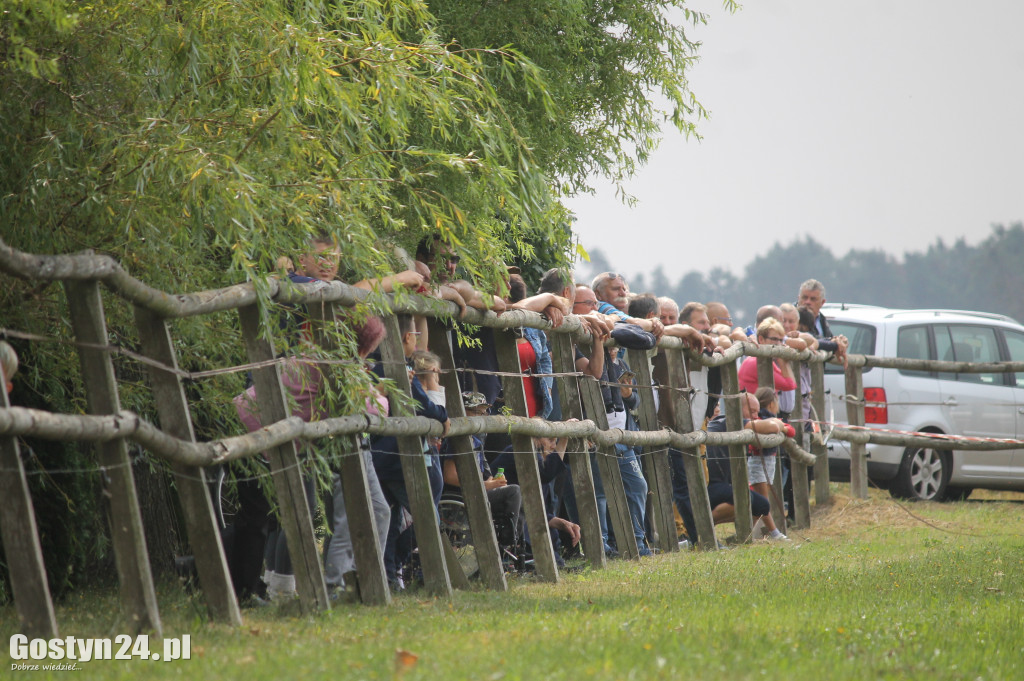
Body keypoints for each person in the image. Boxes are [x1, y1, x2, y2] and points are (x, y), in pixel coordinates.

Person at [746, 387, 796, 541]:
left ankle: (746, 534)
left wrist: (780, 425)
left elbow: (790, 430)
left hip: (767, 464)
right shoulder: (760, 421)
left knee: (761, 503)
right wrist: (780, 426)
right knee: (763, 502)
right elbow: (789, 430)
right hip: (758, 464)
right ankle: (774, 534)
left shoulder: (768, 420)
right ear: (771, 403)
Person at [738, 318, 798, 395]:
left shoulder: (764, 360)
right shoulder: (755, 362)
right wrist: (782, 359)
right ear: (761, 339)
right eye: (774, 339)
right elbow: (790, 385)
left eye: (781, 340)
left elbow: (791, 384)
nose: (779, 344)